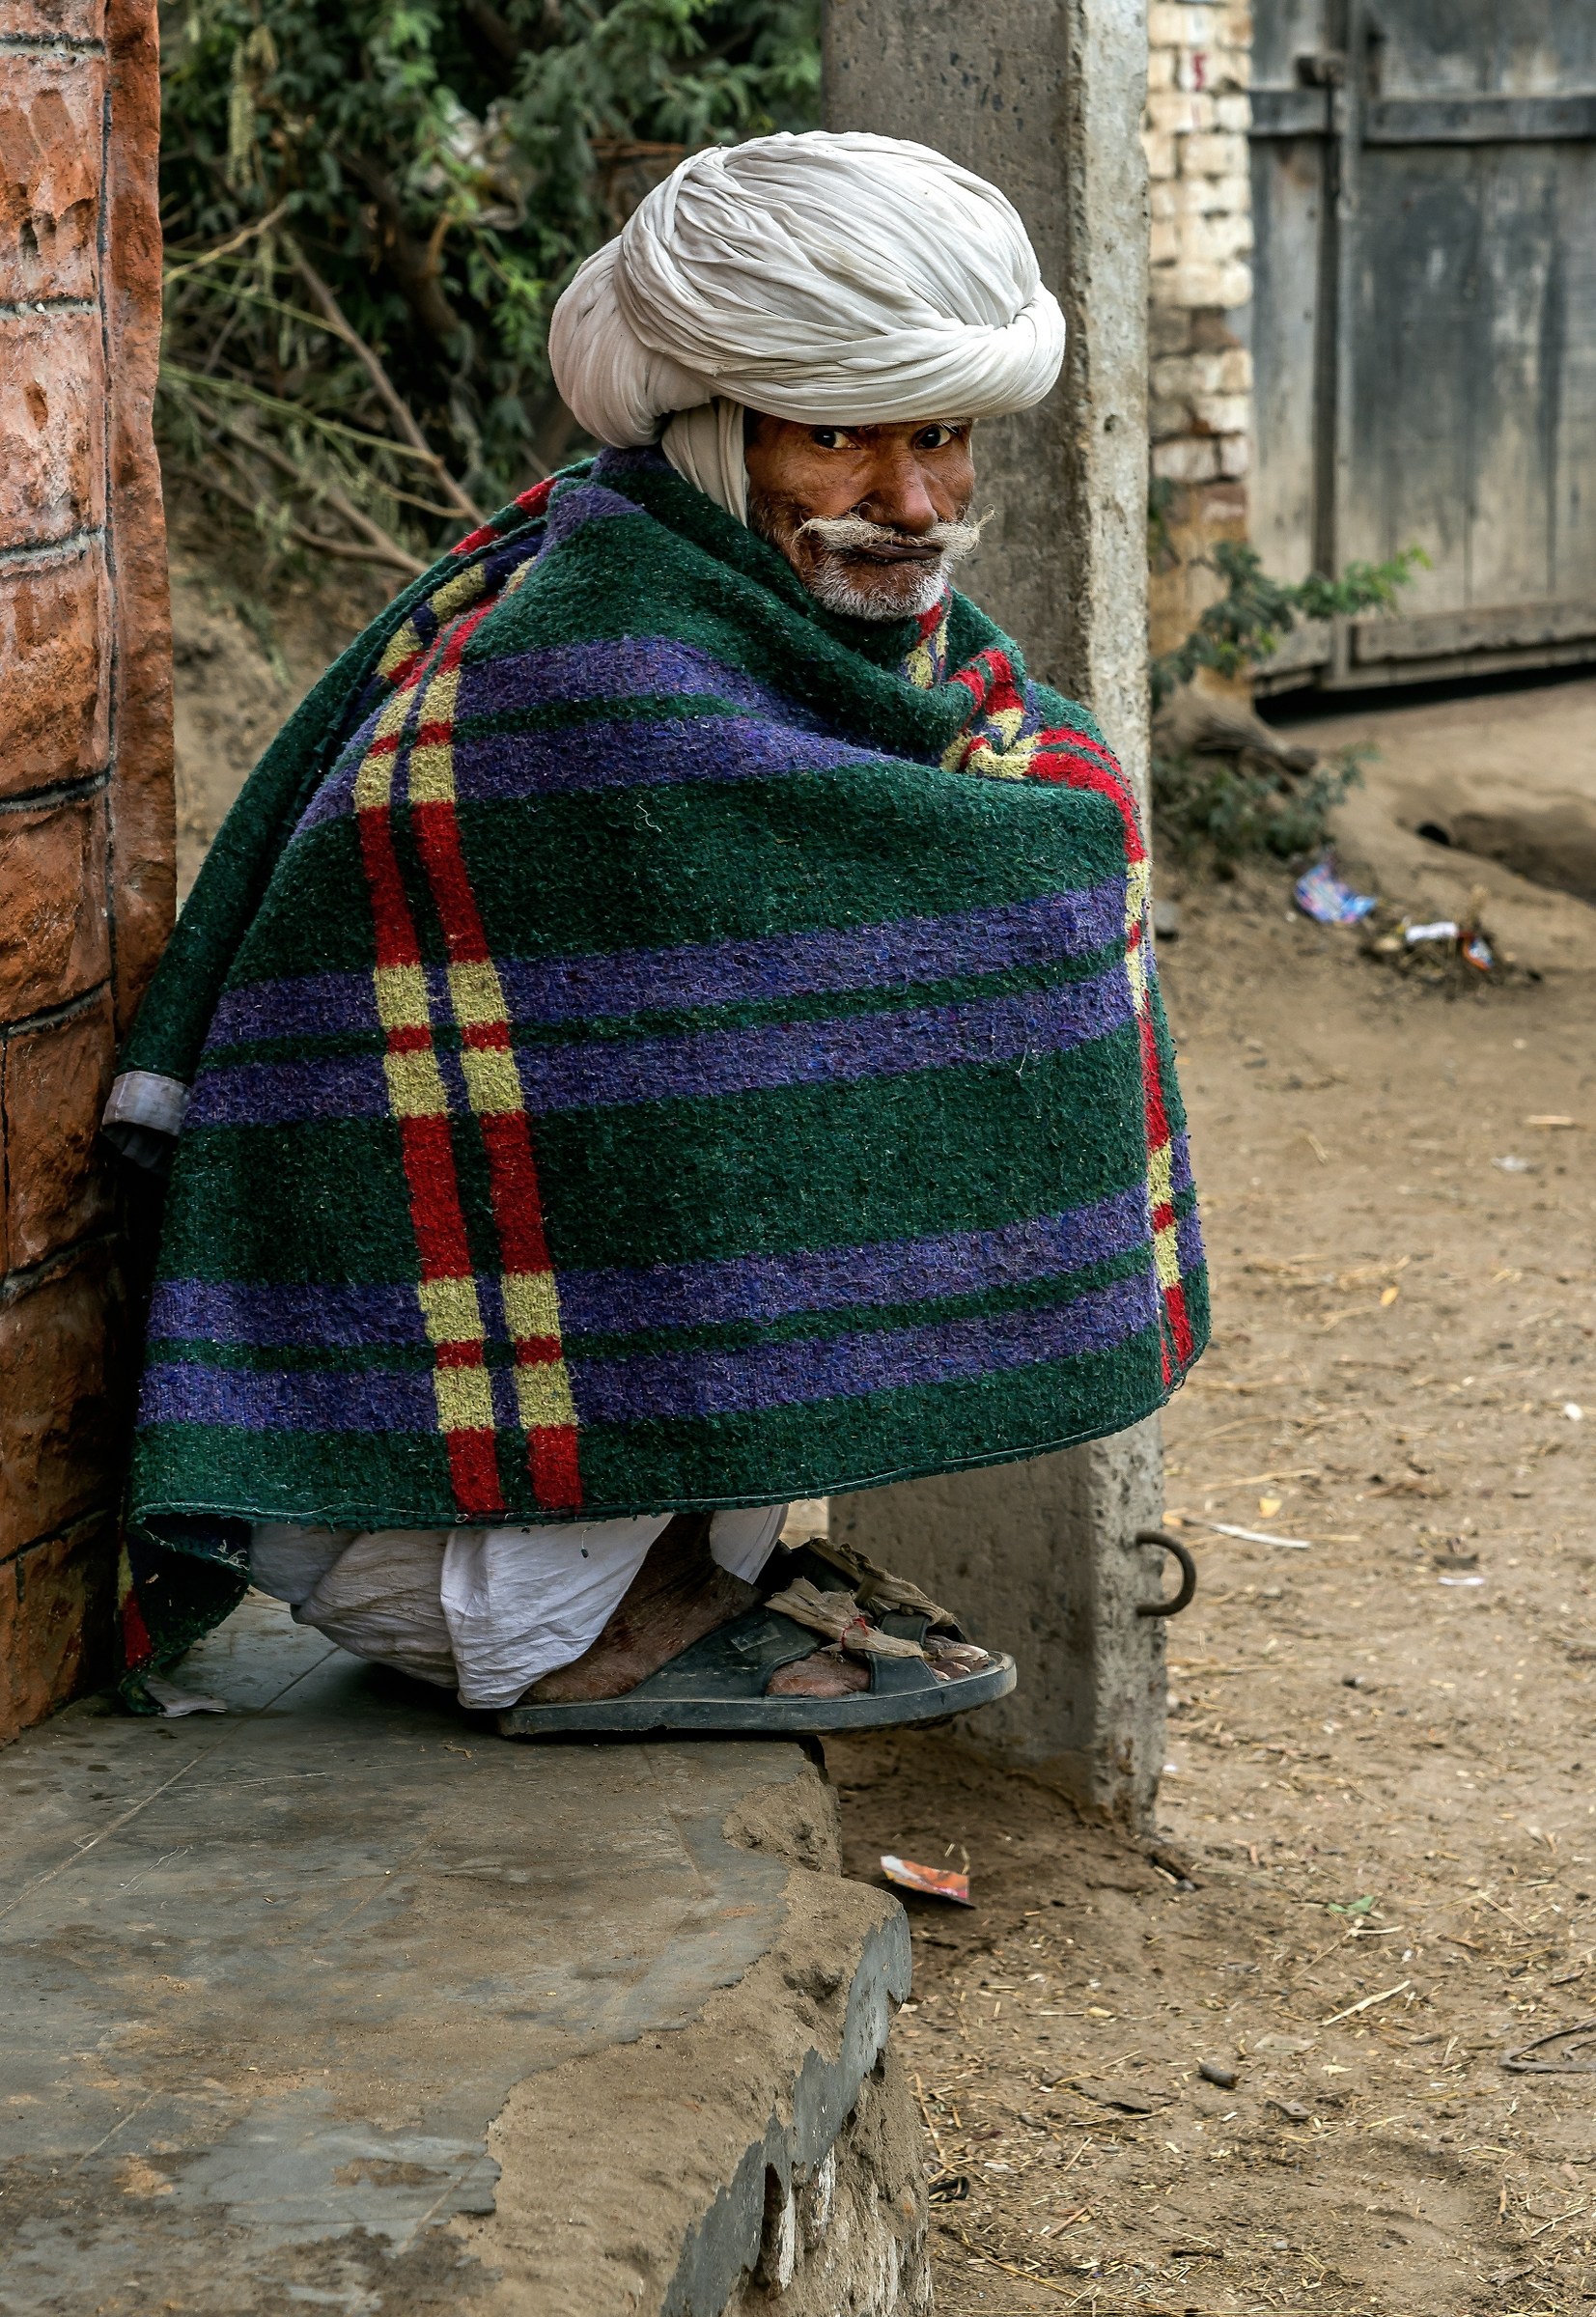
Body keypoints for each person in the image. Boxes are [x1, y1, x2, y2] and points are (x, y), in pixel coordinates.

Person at [105, 132, 1208, 1733]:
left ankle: (672, 1567)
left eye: (946, 436)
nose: (912, 501)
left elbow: (982, 760)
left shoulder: (730, 591)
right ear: (707, 431)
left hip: (496, 1457)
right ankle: (562, 1637)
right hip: (404, 1484)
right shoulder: (594, 680)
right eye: (838, 435)